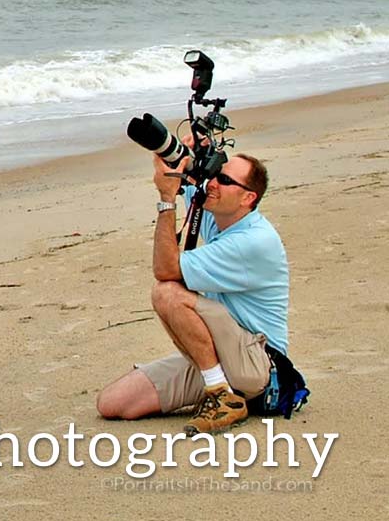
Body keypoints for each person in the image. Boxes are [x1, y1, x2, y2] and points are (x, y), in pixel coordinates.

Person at [95, 151, 288, 435]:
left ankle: (221, 395)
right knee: (113, 403)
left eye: (224, 180)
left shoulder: (253, 241)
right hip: (223, 356)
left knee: (167, 294)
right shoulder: (221, 217)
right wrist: (179, 154)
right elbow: (191, 181)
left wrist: (166, 200)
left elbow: (165, 269)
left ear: (249, 198)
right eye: (215, 176)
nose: (213, 184)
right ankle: (220, 385)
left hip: (258, 365)